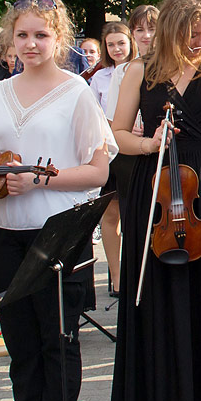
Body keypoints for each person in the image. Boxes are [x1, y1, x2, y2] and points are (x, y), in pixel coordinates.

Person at [0, 0, 115, 401]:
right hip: (5, 233)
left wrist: (40, 179)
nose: (31, 44)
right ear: (10, 39)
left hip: (58, 234)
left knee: (57, 340)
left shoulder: (76, 92)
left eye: (41, 36)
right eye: (23, 35)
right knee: (20, 342)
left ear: (59, 40)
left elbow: (98, 170)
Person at [112, 0, 201, 401]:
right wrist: (150, 141)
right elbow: (118, 135)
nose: (200, 41)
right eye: (192, 33)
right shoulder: (139, 71)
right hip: (156, 191)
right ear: (170, 31)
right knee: (156, 303)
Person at [89, 21, 137, 293]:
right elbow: (95, 117)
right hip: (112, 148)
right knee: (111, 214)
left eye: (121, 42)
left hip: (135, 146)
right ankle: (117, 277)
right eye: (111, 44)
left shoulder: (141, 69)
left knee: (136, 213)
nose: (117, 48)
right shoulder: (100, 77)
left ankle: (135, 272)